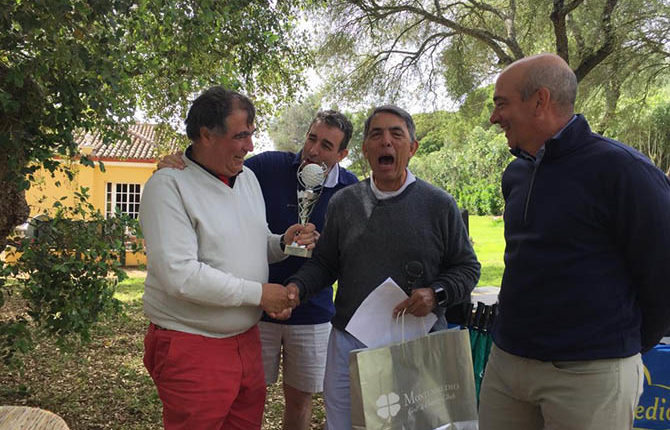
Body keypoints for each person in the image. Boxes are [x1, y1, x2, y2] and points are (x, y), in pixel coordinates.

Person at [479, 53, 670, 430]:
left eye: (502, 104)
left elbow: (663, 273)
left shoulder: (624, 171)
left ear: (540, 101)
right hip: (507, 365)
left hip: (590, 375)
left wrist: (620, 348)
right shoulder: (516, 173)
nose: (494, 117)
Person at [157, 110, 358, 430]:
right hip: (255, 309)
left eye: (326, 145)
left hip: (313, 311)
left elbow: (348, 254)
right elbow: (219, 168)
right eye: (311, 138)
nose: (313, 150)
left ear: (342, 154)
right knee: (248, 395)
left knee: (300, 399)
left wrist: (323, 248)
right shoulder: (267, 166)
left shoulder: (351, 190)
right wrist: (182, 162)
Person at [285, 105, 481, 430]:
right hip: (351, 345)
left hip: (418, 344)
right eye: (376, 134)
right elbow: (325, 264)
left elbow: (467, 268)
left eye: (396, 134)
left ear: (412, 147)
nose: (385, 142)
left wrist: (436, 293)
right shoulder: (345, 203)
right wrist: (296, 288)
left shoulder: (438, 204)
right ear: (365, 150)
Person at [139, 86, 312, 430]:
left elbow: (255, 243)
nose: (250, 146)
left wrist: (281, 242)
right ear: (206, 135)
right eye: (241, 136)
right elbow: (180, 276)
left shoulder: (247, 178)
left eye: (251, 134)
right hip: (192, 345)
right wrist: (260, 294)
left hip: (246, 340)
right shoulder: (168, 186)